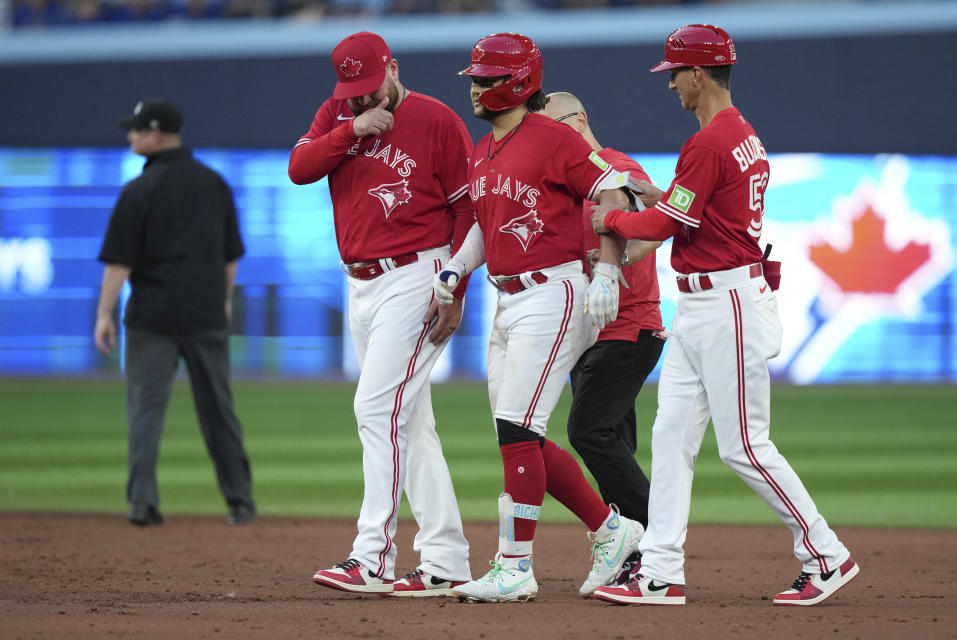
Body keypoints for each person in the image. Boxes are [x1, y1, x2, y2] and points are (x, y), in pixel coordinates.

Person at [591, 24, 859, 606]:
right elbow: (704, 214)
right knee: (670, 437)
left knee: (744, 445)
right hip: (705, 301)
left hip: (727, 304)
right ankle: (660, 569)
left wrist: (608, 222)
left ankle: (826, 555)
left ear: (697, 74)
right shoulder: (737, 135)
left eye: (674, 75)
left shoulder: (711, 142)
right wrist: (661, 192)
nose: (671, 86)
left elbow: (664, 227)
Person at [434, 33, 644, 603]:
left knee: (516, 431)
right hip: (507, 298)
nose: (475, 88)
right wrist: (457, 269)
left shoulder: (553, 136)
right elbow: (485, 220)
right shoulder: (485, 148)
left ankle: (515, 564)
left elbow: (616, 191)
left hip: (553, 291)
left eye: (486, 79)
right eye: (475, 78)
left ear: (519, 82)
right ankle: (610, 529)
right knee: (520, 432)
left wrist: (605, 269)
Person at [288, 31, 474, 597]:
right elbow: (299, 167)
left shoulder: (437, 119)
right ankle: (446, 559)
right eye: (353, 92)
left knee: (375, 409)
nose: (364, 99)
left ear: (393, 67)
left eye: (371, 88)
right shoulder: (338, 112)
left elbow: (468, 209)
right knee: (409, 423)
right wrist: (350, 129)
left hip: (418, 274)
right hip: (361, 284)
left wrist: (456, 285)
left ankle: (372, 557)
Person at [95, 97, 256, 528]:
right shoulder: (214, 183)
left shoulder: (138, 190)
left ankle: (141, 505)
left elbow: (119, 263)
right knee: (219, 410)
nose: (130, 136)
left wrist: (104, 314)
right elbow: (230, 257)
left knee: (146, 409)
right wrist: (223, 299)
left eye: (135, 129)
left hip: (151, 318)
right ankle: (240, 502)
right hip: (205, 314)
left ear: (156, 134)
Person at [538, 91, 665, 585]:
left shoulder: (614, 166)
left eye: (555, 127)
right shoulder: (567, 178)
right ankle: (634, 555)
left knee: (588, 432)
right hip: (592, 331)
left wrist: (619, 260)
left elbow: (656, 228)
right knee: (613, 445)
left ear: (581, 119)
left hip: (629, 324)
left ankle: (658, 540)